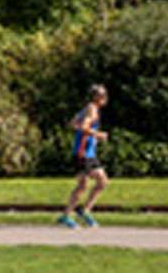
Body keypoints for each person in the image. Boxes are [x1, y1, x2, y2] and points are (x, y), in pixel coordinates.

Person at [58, 84, 110, 229]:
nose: (105, 98)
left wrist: (87, 133)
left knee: (102, 182)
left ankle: (84, 211)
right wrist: (98, 135)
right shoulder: (92, 109)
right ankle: (68, 215)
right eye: (103, 95)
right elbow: (82, 127)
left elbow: (74, 123)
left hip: (89, 153)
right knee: (84, 185)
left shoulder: (88, 109)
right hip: (83, 153)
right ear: (97, 97)